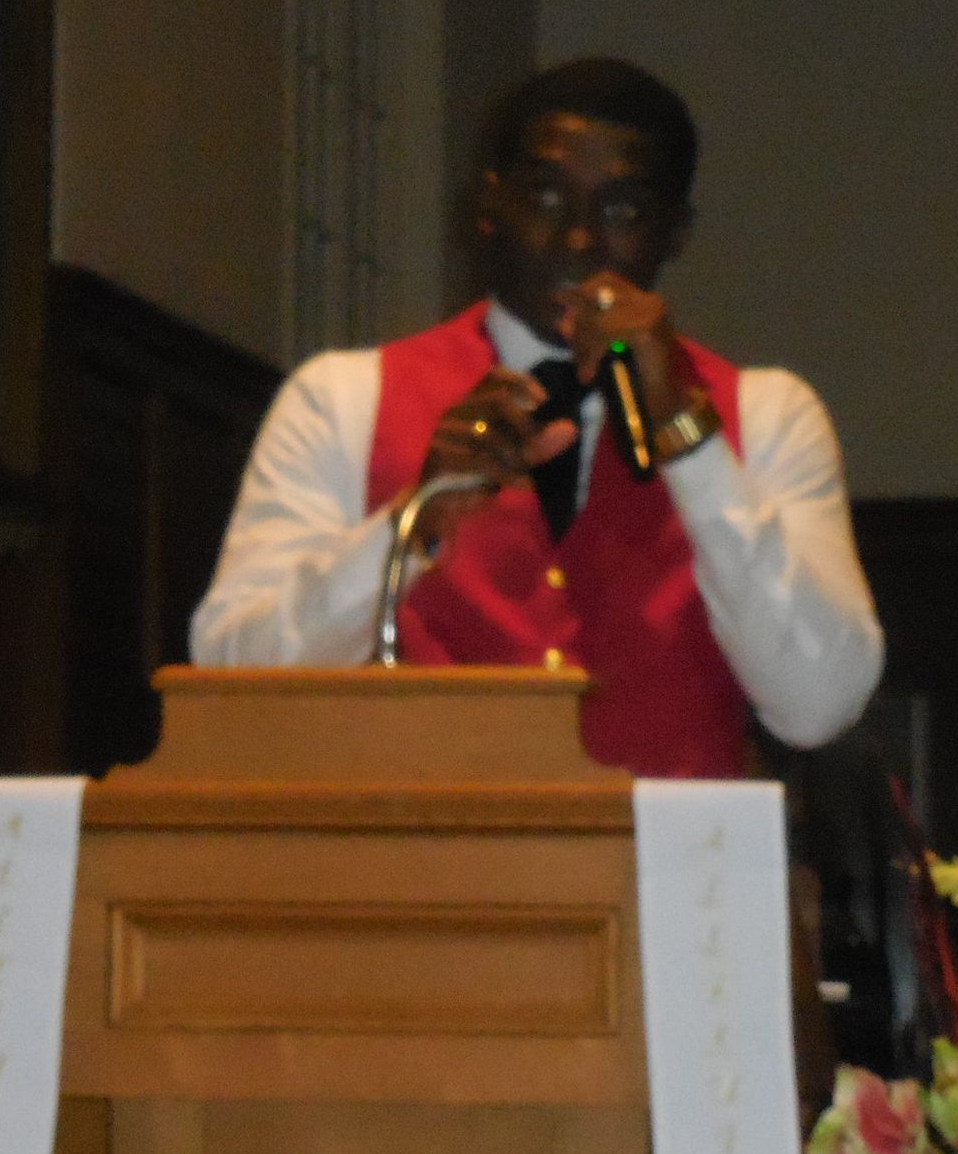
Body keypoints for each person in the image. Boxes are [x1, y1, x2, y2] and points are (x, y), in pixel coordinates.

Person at [190, 58, 883, 776]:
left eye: (622, 212)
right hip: (422, 870)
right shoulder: (342, 398)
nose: (578, 243)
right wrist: (411, 522)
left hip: (673, 876)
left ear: (675, 234)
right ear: (489, 205)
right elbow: (235, 681)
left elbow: (820, 705)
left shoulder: (767, 416)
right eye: (546, 197)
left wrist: (688, 437)